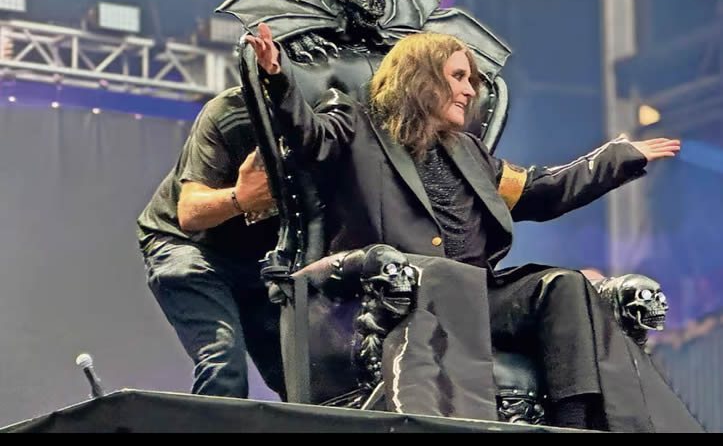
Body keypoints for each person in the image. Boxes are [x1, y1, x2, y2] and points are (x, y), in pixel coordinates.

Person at [244, 22, 703, 431]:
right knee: (448, 277)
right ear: (421, 78)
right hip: (401, 295)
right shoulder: (355, 125)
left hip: (478, 296)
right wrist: (277, 77)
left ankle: (576, 424)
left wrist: (616, 157)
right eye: (459, 77)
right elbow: (307, 135)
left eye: (471, 80)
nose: (469, 91)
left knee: (564, 286)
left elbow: (540, 190)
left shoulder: (470, 153)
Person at [136, 85, 285, 400]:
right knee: (224, 364)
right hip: (188, 244)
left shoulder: (336, 121)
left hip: (259, 259)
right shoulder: (232, 111)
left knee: (305, 373)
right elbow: (190, 212)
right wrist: (241, 198)